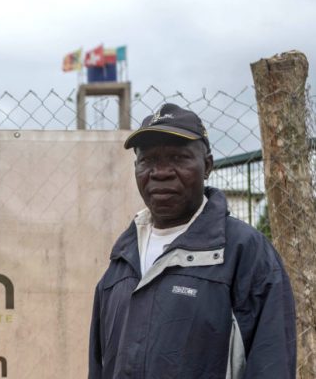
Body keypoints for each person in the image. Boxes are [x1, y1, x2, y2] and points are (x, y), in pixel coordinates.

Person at [88, 103, 297, 378]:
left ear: (207, 165)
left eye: (177, 158)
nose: (160, 172)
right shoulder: (122, 260)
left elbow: (273, 365)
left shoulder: (244, 252)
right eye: (147, 160)